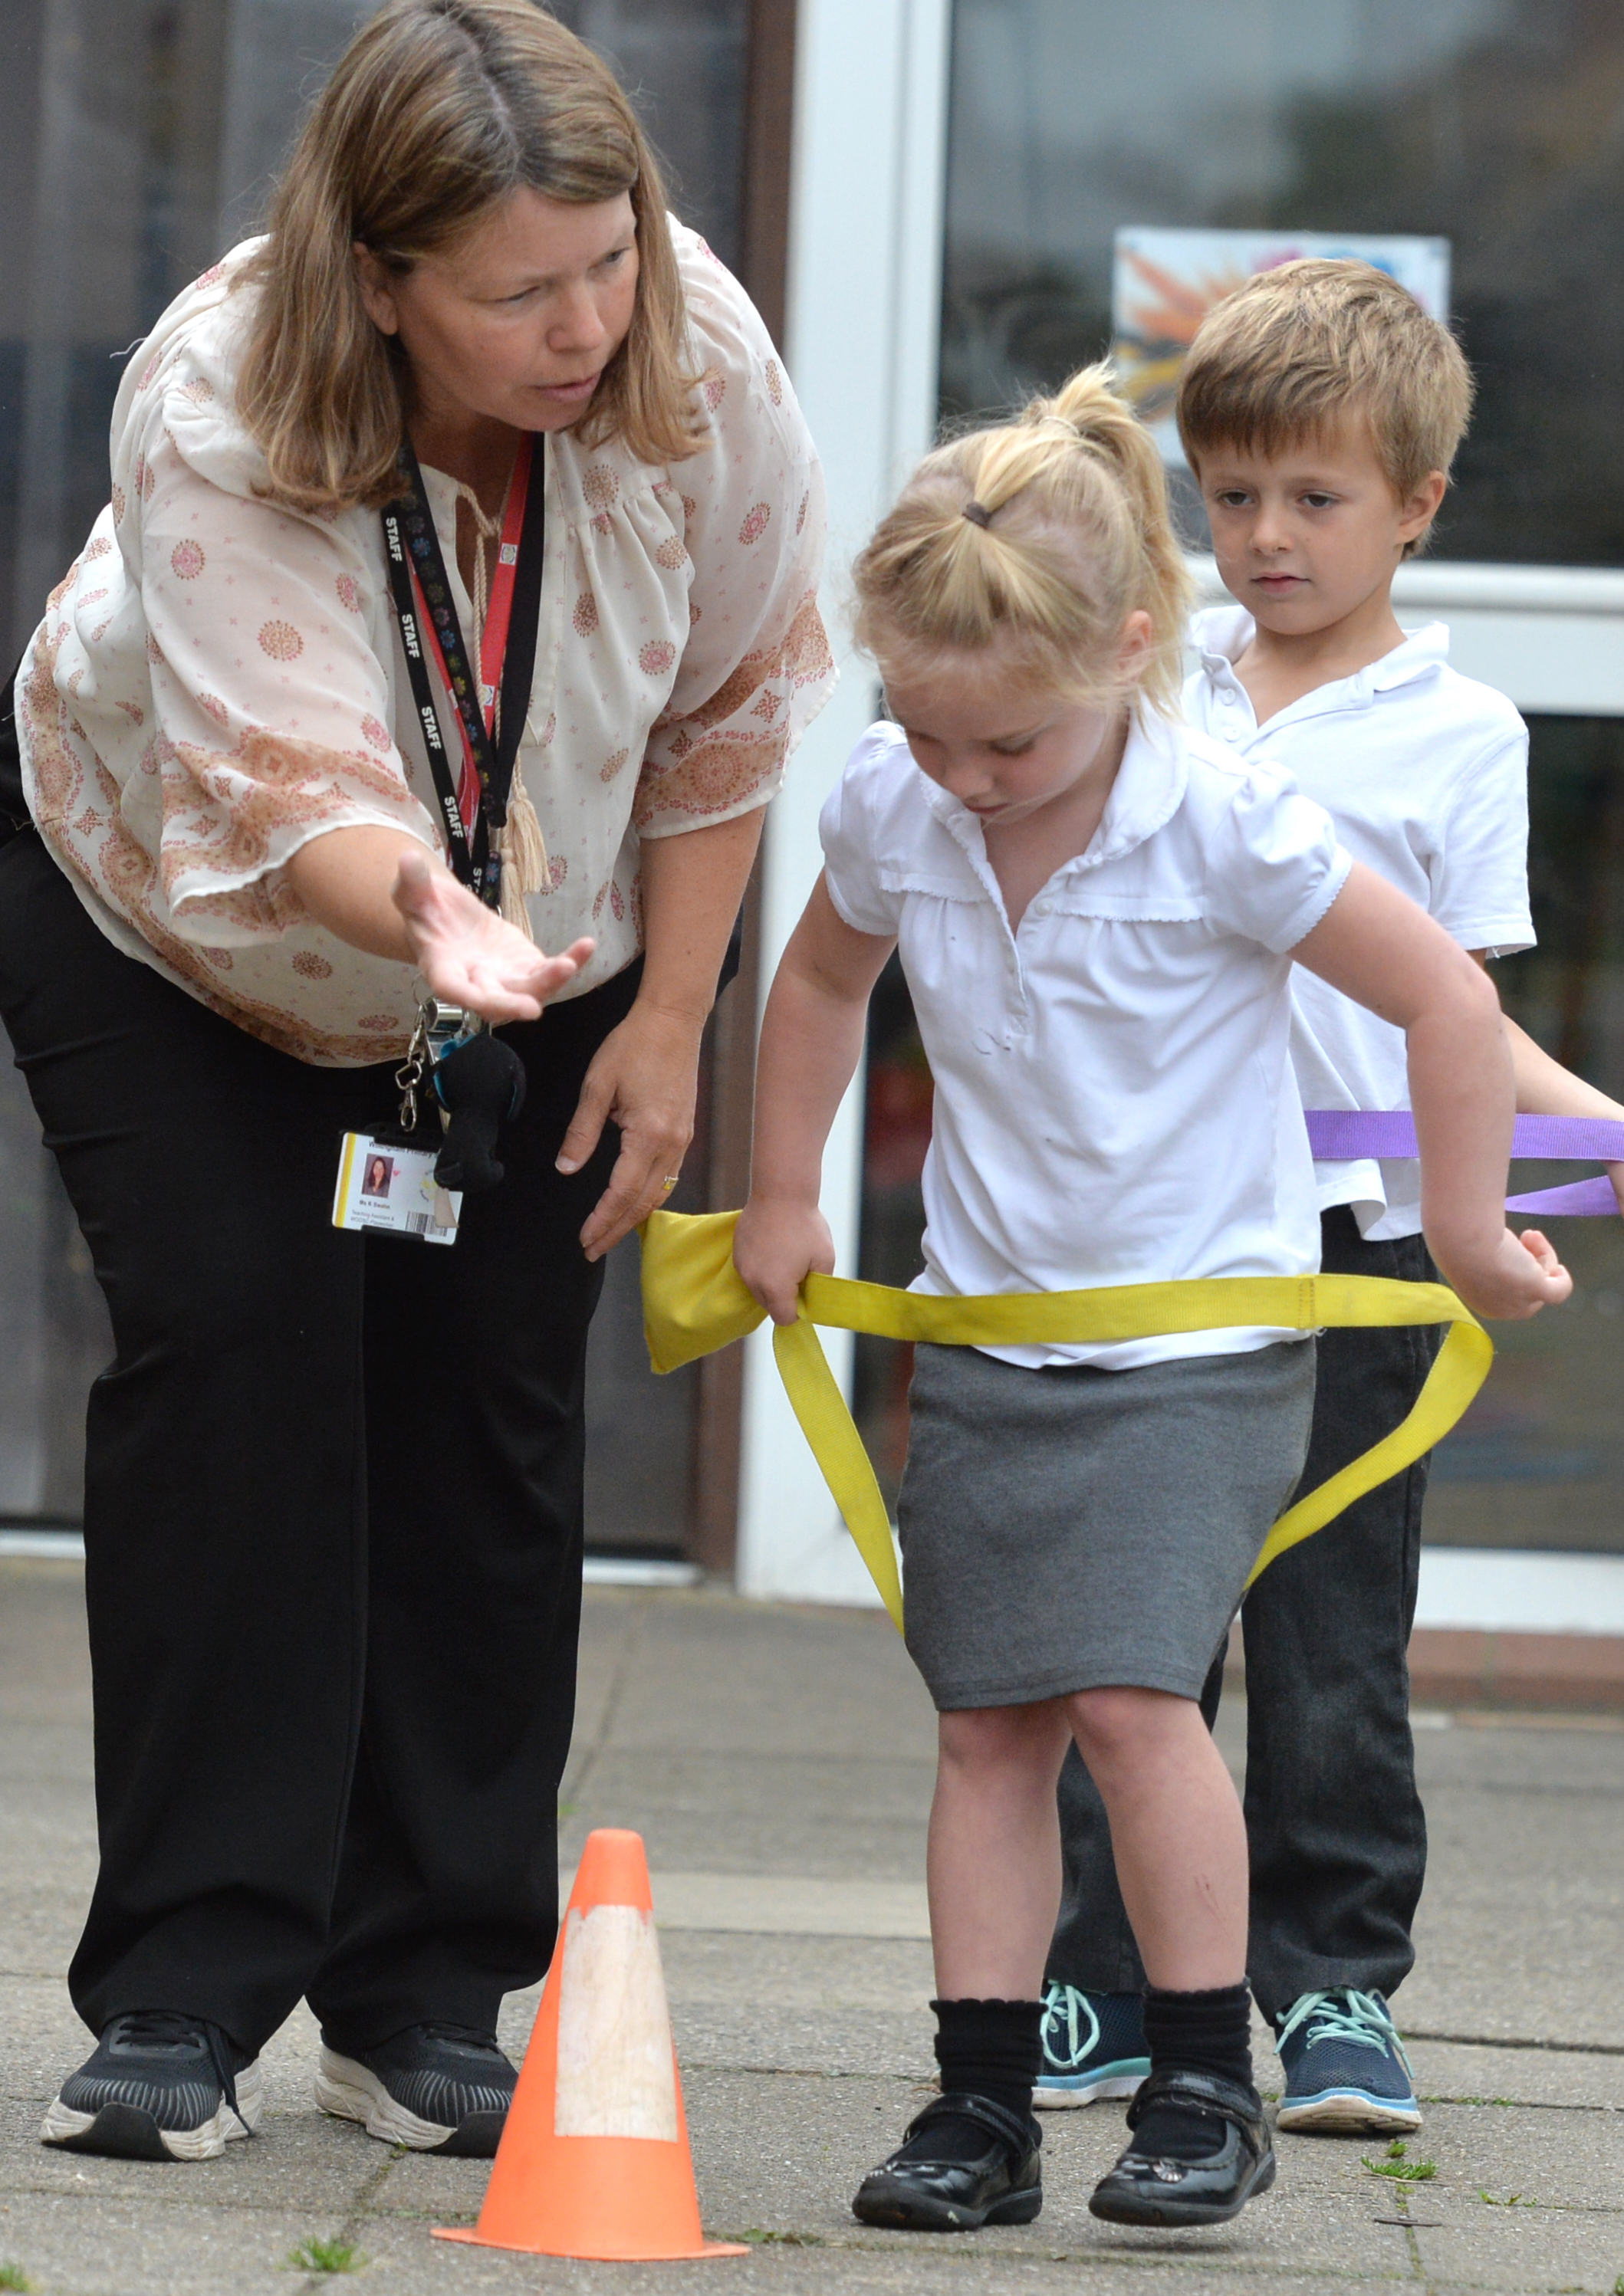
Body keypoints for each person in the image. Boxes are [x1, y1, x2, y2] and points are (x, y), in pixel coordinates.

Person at [1, 0, 830, 2163]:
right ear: (380, 281)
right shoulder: (215, 395)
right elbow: (291, 788)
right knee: (244, 1356)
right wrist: (438, 927)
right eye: (515, 291)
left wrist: (664, 1029)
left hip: (536, 925)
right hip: (190, 920)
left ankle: (424, 1990)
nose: (583, 325)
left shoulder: (698, 358)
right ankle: (179, 1989)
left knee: (487, 1402)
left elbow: (729, 704)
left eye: (606, 263)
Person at [732, 366, 1567, 2232]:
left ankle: (1203, 2082)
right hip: (996, 1331)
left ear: (1126, 654)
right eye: (925, 732)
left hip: (1201, 1346)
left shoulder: (1225, 822)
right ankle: (981, 2103)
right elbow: (813, 988)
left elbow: (1443, 999)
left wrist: (1466, 1228)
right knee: (985, 1721)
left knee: (1128, 1695)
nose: (961, 778)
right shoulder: (901, 794)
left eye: (1005, 747)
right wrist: (786, 1195)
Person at [1040, 261, 1624, 2137]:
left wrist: (1598, 1126)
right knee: (1119, 1622)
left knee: (1332, 1630)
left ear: (1420, 506)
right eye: (1232, 497)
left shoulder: (1462, 738)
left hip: (1358, 1250)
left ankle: (1339, 1993)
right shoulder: (1152, 671)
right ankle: (1093, 1981)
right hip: (1145, 1222)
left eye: (1319, 500)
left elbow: (1467, 1015)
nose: (1268, 538)